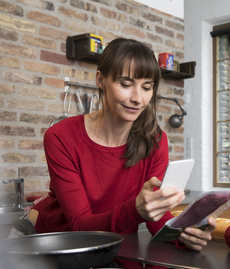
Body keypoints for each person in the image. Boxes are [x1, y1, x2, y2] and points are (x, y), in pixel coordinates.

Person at [28, 38, 216, 251]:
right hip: (63, 247)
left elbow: (155, 215)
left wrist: (183, 234)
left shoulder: (155, 140)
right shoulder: (61, 136)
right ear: (101, 80)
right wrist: (136, 210)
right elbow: (80, 225)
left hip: (118, 246)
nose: (137, 98)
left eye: (147, 87)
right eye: (126, 84)